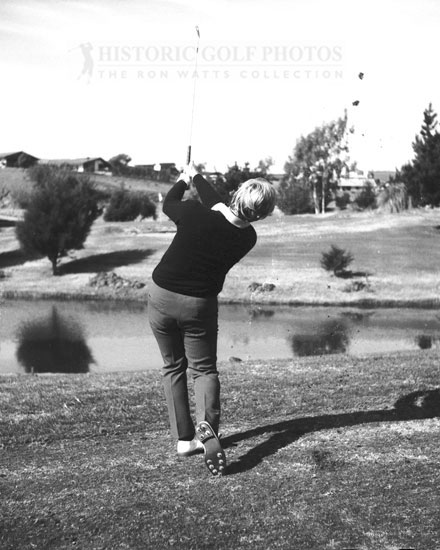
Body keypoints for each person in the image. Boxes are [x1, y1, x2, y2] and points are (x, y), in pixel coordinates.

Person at [148, 165, 276, 476]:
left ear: (237, 194)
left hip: (161, 295)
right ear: (260, 214)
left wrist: (182, 180)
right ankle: (208, 430)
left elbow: (168, 204)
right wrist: (197, 176)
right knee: (203, 370)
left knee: (172, 366)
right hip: (199, 306)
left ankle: (183, 440)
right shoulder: (248, 238)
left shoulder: (192, 213)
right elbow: (219, 207)